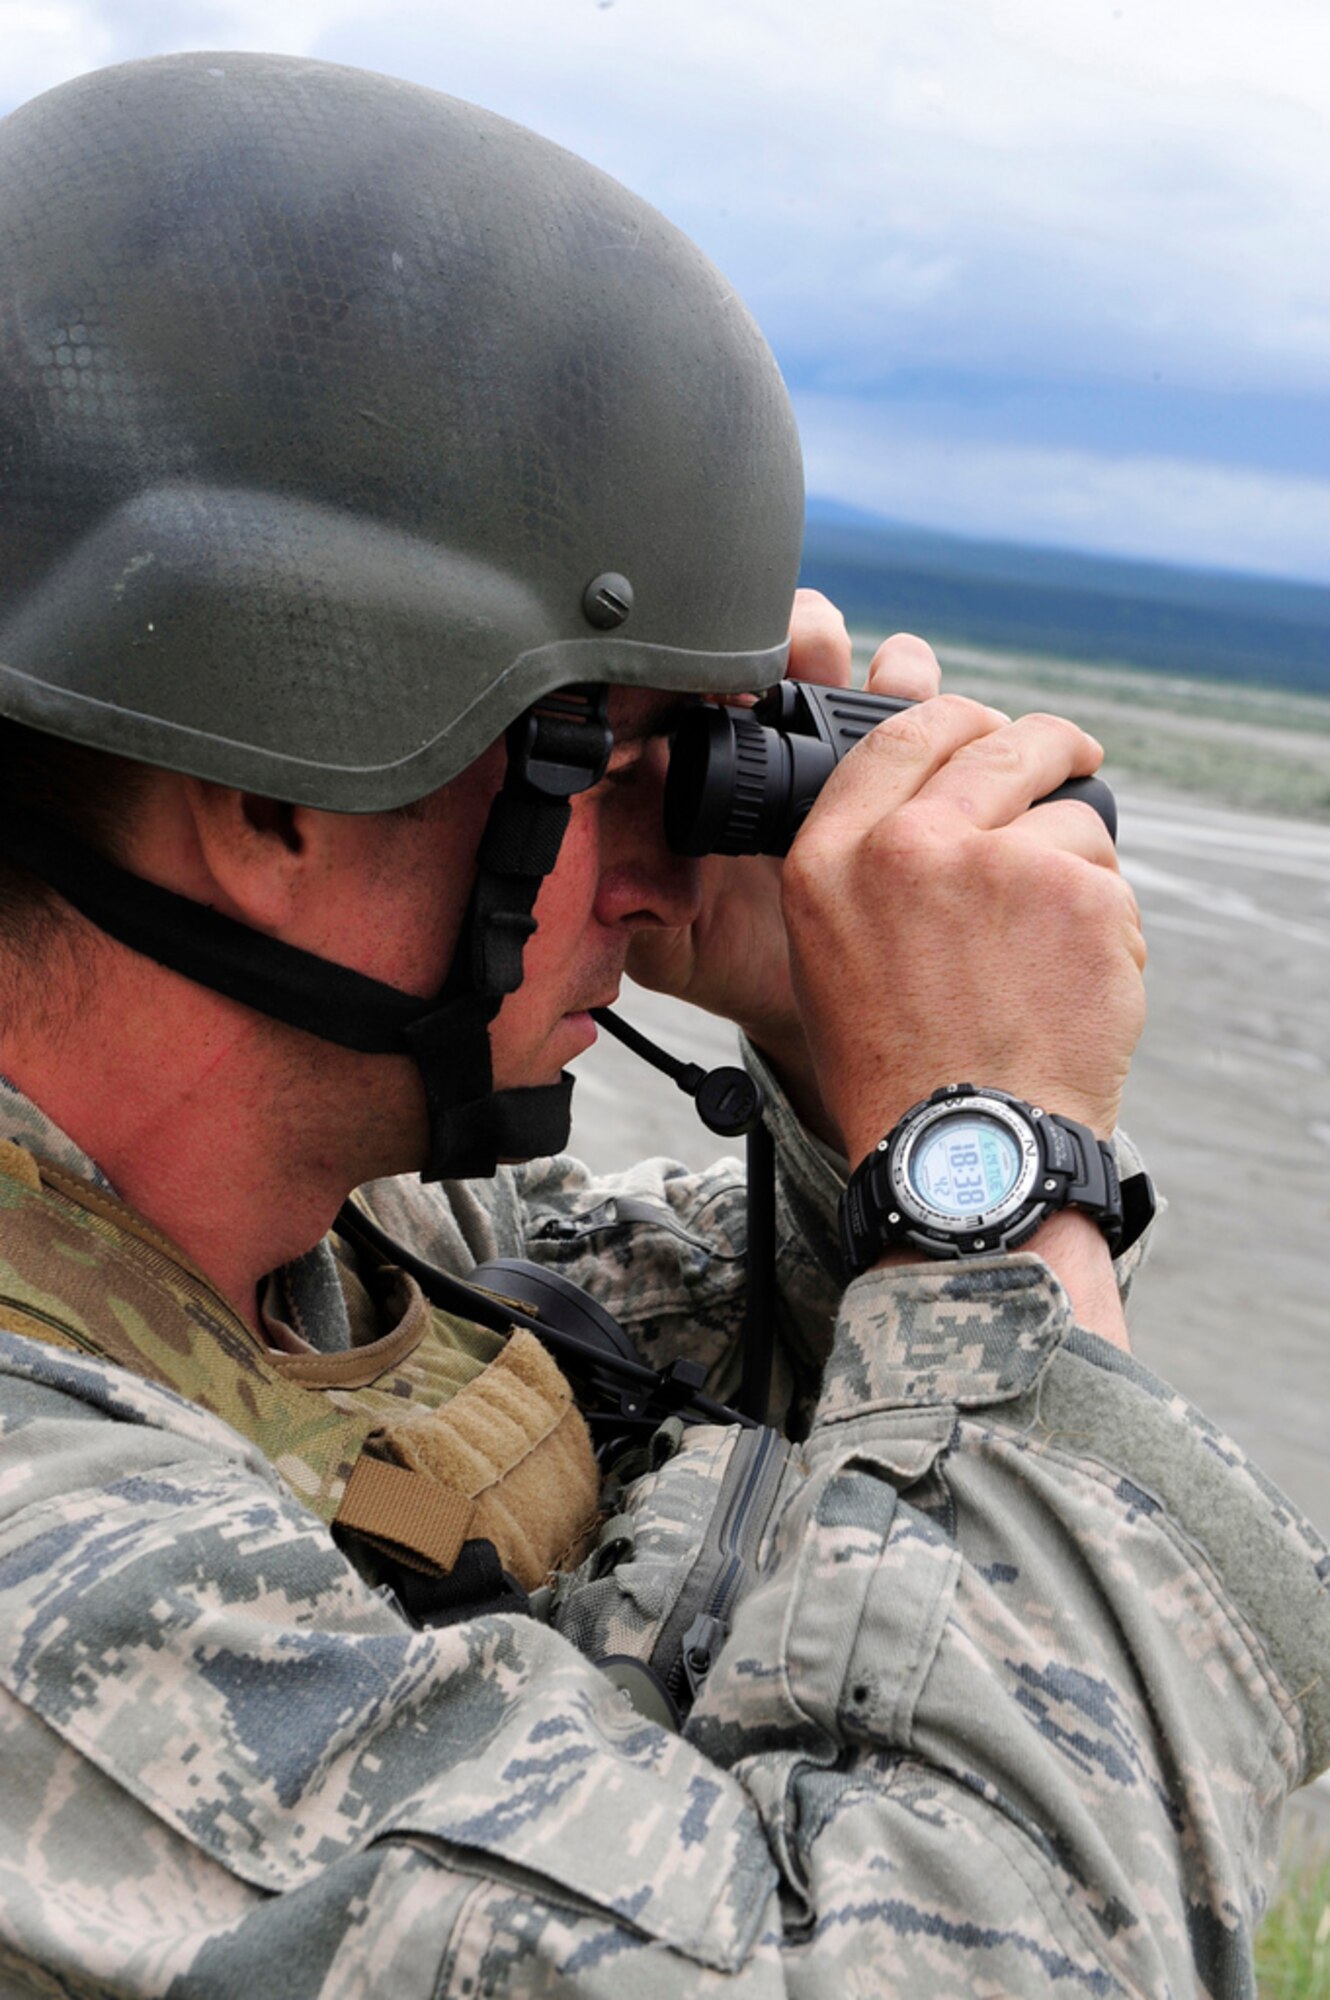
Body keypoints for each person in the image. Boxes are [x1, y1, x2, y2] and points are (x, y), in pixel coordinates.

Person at [0, 50, 1324, 2000]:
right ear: (284, 777)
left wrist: (829, 1056)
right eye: (605, 760)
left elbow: (821, 1408)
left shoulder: (320, 1261)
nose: (651, 863)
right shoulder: (50, 1542)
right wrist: (994, 1171)